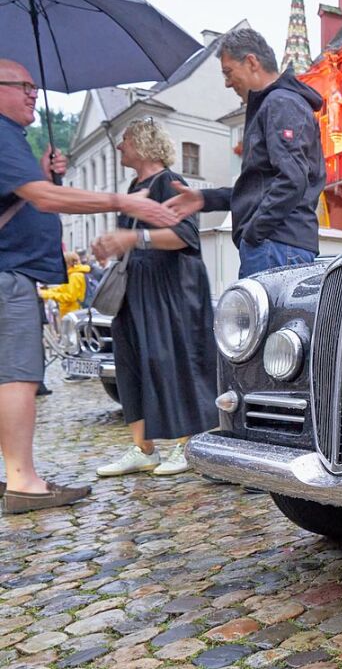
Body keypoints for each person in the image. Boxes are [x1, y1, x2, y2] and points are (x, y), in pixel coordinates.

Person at [0, 58, 178, 514]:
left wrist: (45, 174)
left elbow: (184, 236)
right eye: (24, 86)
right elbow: (40, 199)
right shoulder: (2, 135)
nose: (33, 94)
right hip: (13, 272)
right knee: (18, 375)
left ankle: (170, 446)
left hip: (153, 291)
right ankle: (24, 480)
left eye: (34, 86)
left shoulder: (166, 182)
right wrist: (118, 205)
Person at [91, 119, 218, 477]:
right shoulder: (134, 186)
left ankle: (186, 444)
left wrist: (133, 240)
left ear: (144, 144)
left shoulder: (167, 182)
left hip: (169, 286)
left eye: (125, 140)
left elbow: (184, 236)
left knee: (171, 360)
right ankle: (142, 448)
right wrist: (112, 245)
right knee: (130, 362)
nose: (119, 147)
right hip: (136, 284)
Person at [165, 28, 325, 278]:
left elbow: (293, 179)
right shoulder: (277, 103)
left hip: (275, 244)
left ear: (251, 62)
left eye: (228, 72)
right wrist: (204, 199)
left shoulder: (280, 103)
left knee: (261, 318)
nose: (227, 83)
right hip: (277, 243)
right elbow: (262, 187)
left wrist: (254, 232)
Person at [38, 251, 90, 316]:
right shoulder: (72, 274)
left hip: (74, 313)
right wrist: (45, 292)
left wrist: (46, 294)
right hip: (71, 312)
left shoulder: (75, 276)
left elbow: (69, 297)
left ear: (68, 263)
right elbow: (62, 288)